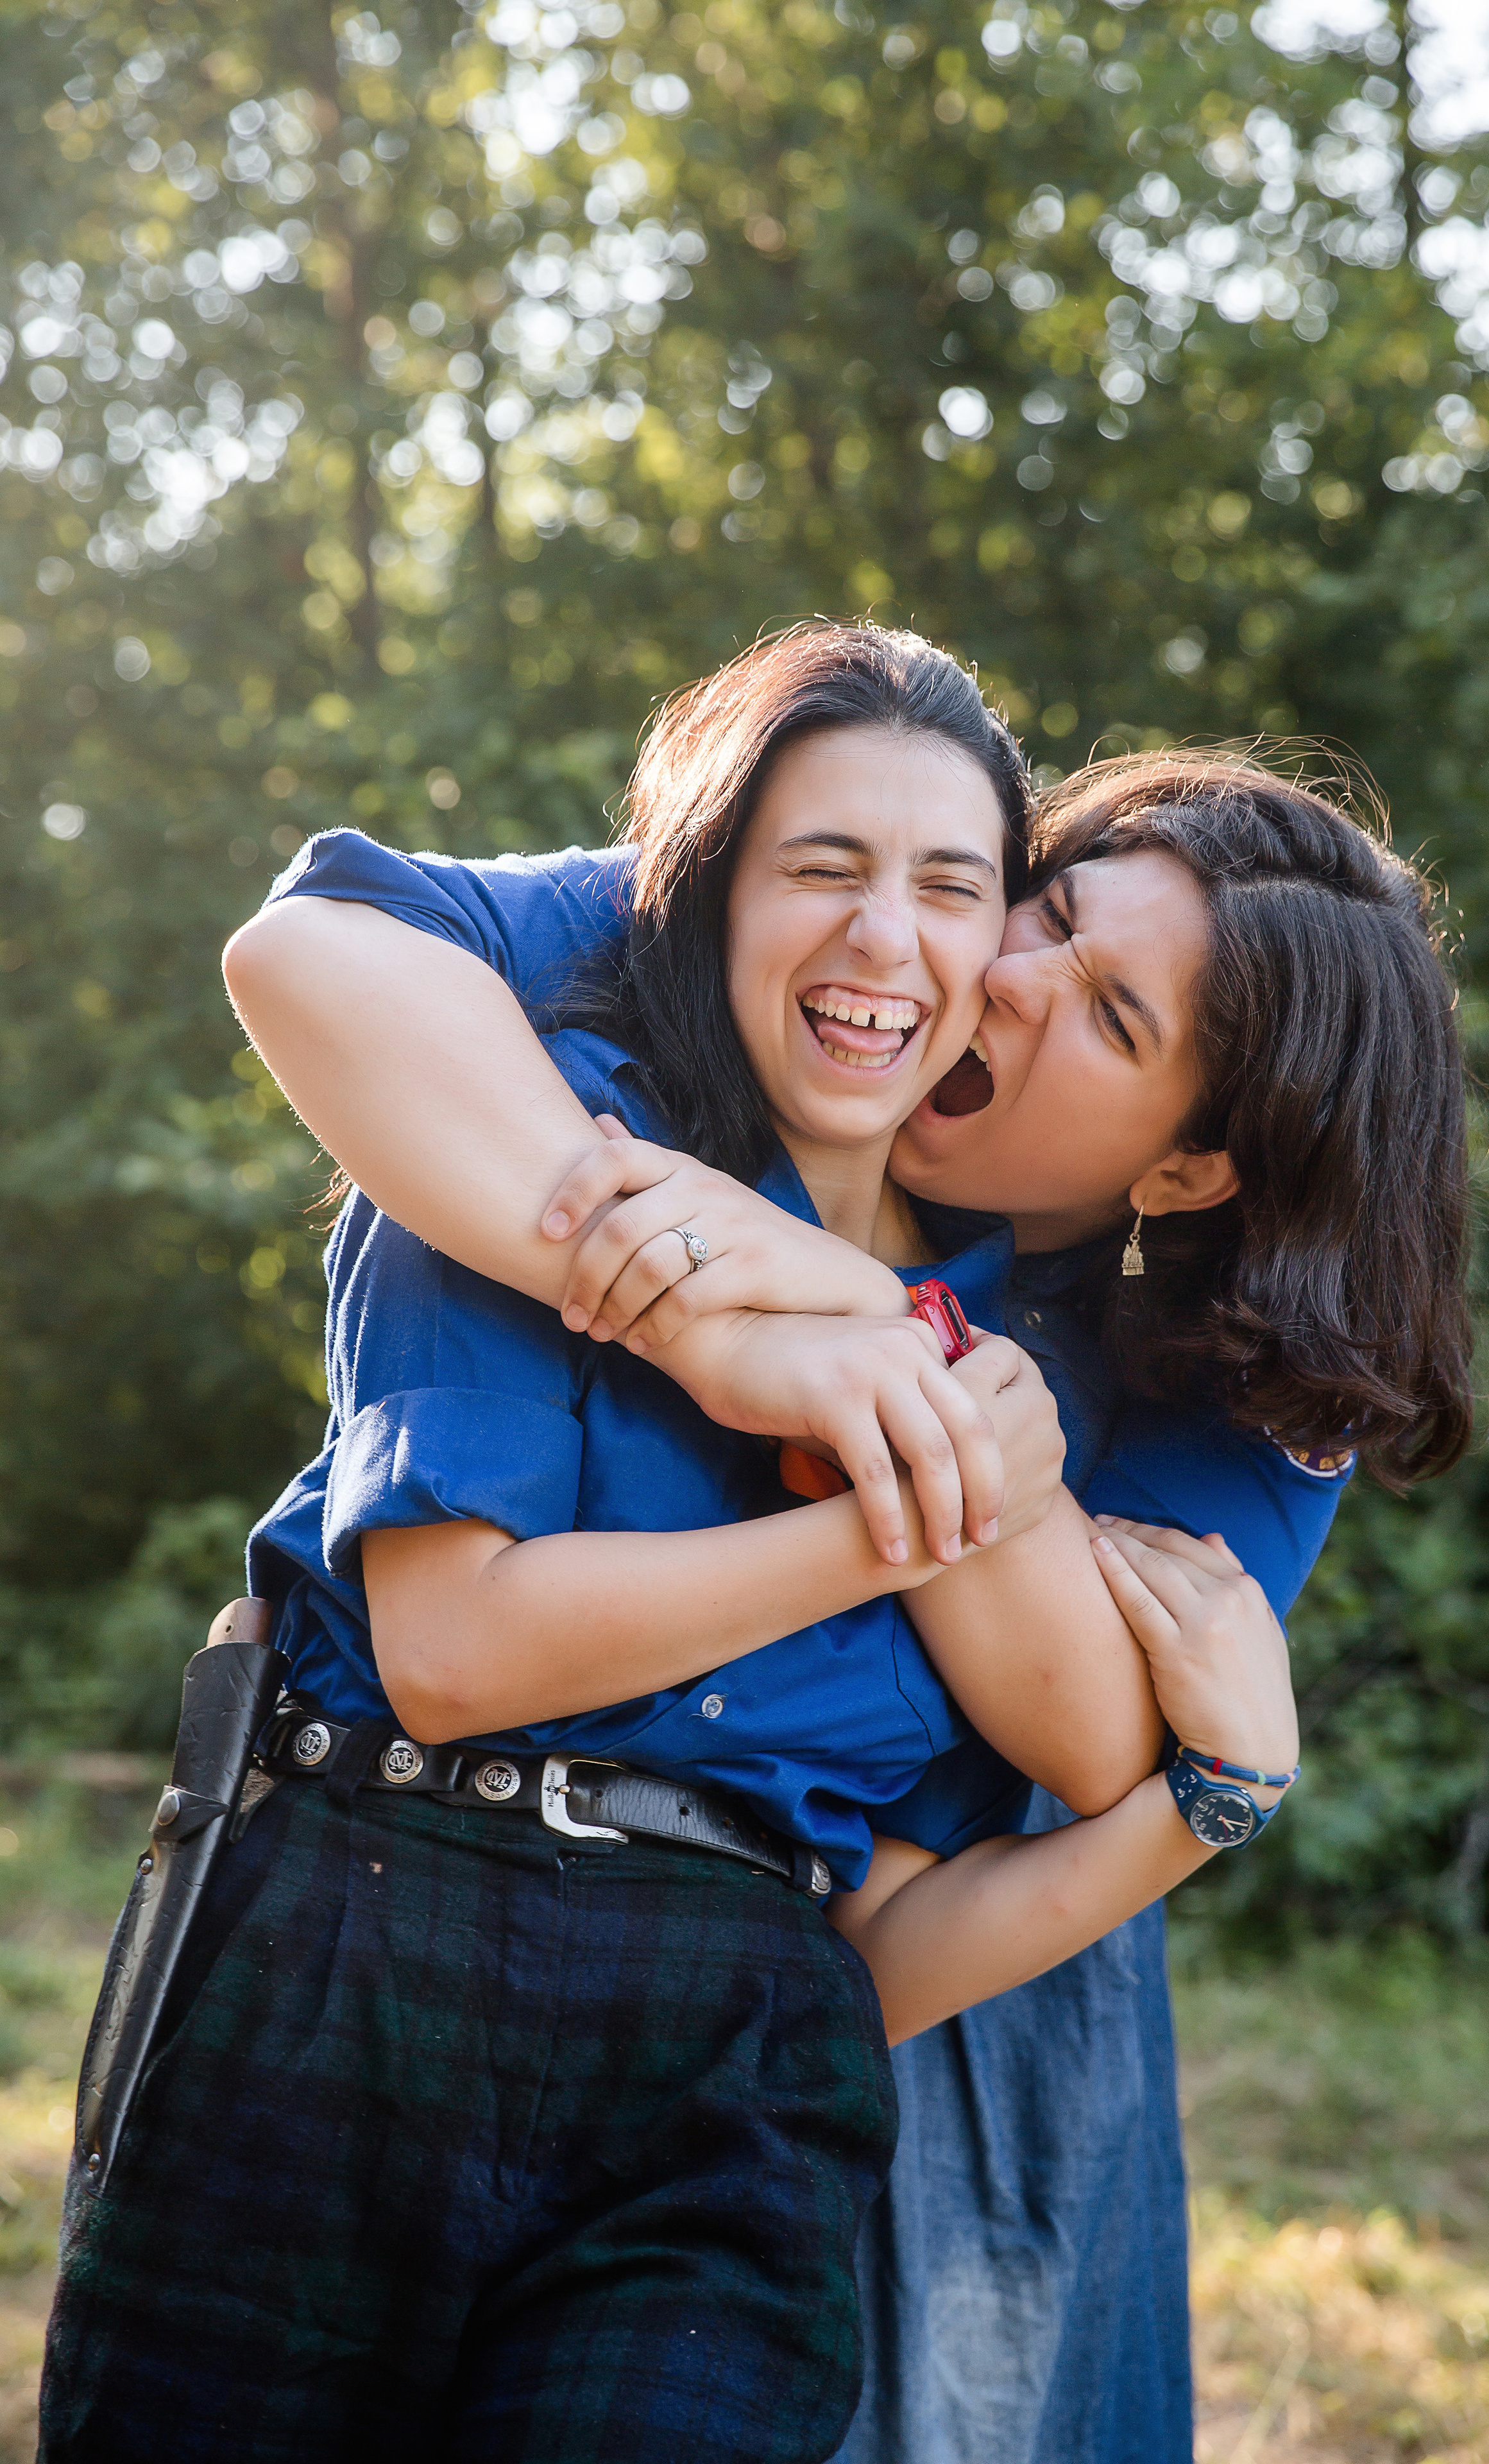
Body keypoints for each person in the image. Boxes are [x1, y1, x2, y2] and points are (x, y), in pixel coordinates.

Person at [42, 626, 1263, 2464]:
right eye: (822, 870)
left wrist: (1216, 1774)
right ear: (708, 903)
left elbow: (1049, 1785)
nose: (888, 939)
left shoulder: (1016, 1361)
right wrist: (888, 1510)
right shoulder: (542, 1143)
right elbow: (457, 1656)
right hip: (362, 1938)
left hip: (742, 2055)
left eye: (952, 886)